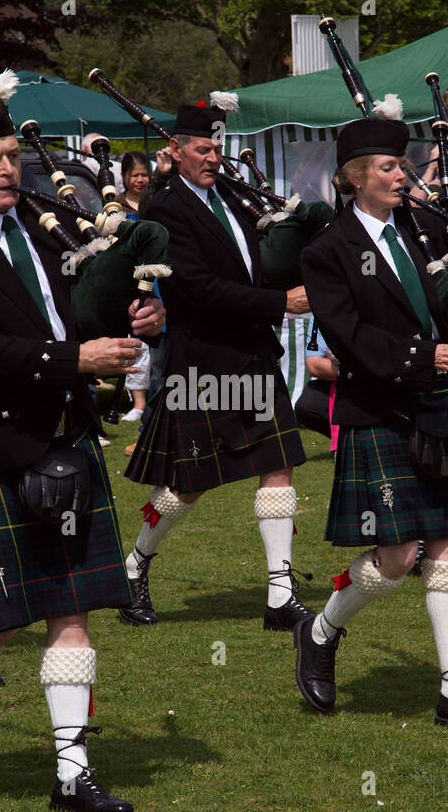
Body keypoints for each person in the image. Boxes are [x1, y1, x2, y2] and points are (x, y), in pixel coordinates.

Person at [0, 92, 164, 812]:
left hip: (67, 440)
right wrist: (74, 358)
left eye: (13, 157)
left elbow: (89, 311)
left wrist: (139, 314)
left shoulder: (52, 233)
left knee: (70, 609)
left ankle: (72, 773)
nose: (9, 170)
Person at [292, 117, 448, 729]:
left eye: (402, 165)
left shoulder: (420, 232)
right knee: (395, 557)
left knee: (447, 545)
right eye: (388, 168)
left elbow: (441, 307)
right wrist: (426, 356)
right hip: (378, 410)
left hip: (435, 405)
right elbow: (349, 338)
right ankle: (320, 629)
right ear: (353, 178)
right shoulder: (327, 251)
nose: (402, 175)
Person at [121, 94, 313, 631]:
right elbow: (197, 290)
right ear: (175, 150)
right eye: (203, 149)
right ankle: (135, 562)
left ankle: (280, 592)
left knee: (278, 464)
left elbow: (254, 265)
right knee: (191, 483)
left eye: (217, 148)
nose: (213, 158)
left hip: (252, 352)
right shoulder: (165, 210)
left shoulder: (228, 194)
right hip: (203, 360)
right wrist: (281, 304)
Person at [116, 151, 153, 423]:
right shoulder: (116, 206)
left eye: (144, 175)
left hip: (157, 276)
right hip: (129, 279)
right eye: (135, 175)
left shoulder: (154, 202)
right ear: (125, 177)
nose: (140, 180)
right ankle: (138, 402)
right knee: (136, 340)